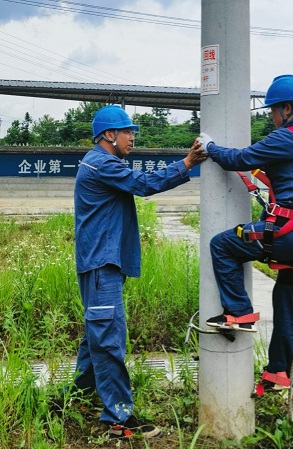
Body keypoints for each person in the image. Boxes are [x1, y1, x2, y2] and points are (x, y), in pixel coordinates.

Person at [73, 105, 206, 439]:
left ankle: (79, 397)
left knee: (96, 337)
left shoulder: (101, 162)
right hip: (101, 266)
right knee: (107, 339)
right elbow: (144, 183)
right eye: (127, 131)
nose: (132, 138)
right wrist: (187, 164)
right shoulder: (102, 164)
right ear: (108, 135)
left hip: (101, 265)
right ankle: (117, 418)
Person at [198, 74, 293, 392]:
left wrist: (209, 147)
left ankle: (239, 313)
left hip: (289, 233)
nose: (271, 117)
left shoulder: (287, 137)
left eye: (272, 111)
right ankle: (279, 373)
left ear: (286, 108)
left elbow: (238, 159)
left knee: (222, 245)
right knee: (284, 297)